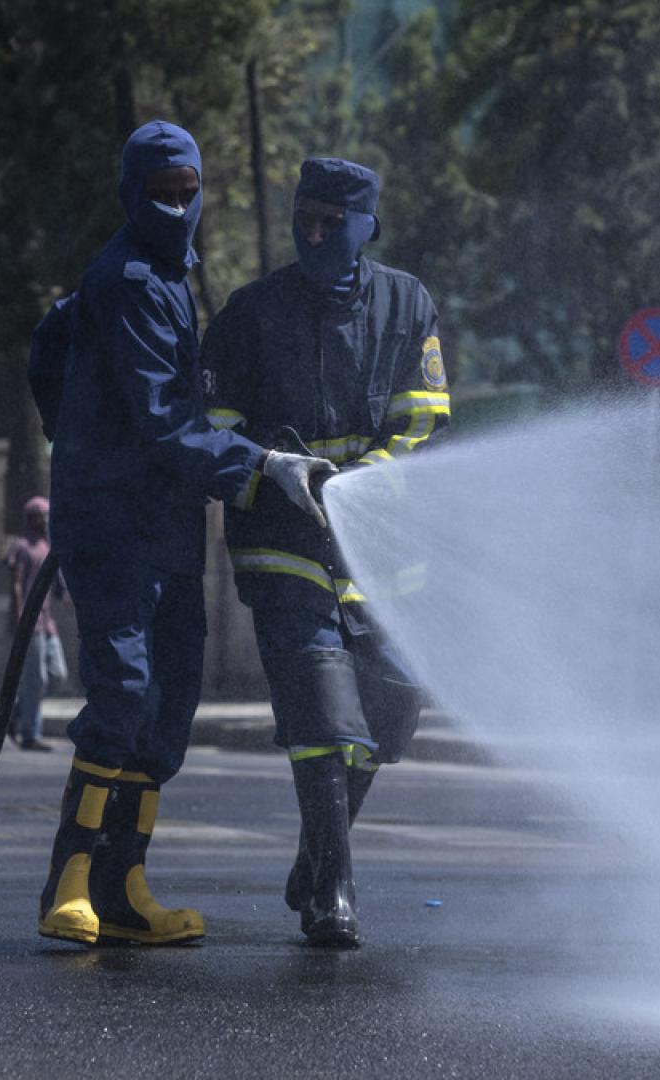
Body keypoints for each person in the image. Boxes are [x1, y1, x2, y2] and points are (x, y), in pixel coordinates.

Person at [37, 121, 332, 947]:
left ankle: (124, 889)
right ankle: (68, 883)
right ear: (133, 191)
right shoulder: (129, 278)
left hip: (167, 525)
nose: (178, 205)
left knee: (167, 708)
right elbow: (167, 420)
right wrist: (261, 462)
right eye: (162, 192)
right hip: (113, 525)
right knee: (125, 692)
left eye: (188, 190)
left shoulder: (170, 276)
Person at [202, 158, 447, 947]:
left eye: (330, 222)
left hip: (378, 545)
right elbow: (215, 430)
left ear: (366, 225)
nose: (313, 233)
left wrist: (367, 481)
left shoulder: (408, 303)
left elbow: (422, 422)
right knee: (320, 708)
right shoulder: (249, 313)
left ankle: (315, 853)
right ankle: (333, 892)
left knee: (394, 705)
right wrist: (273, 472)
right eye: (304, 218)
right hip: (283, 539)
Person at [5, 496, 66, 751]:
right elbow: (17, 582)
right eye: (40, 516)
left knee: (57, 674)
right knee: (36, 678)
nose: (45, 521)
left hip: (47, 621)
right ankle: (31, 733)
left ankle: (18, 712)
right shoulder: (21, 547)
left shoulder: (48, 546)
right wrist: (20, 616)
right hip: (30, 622)